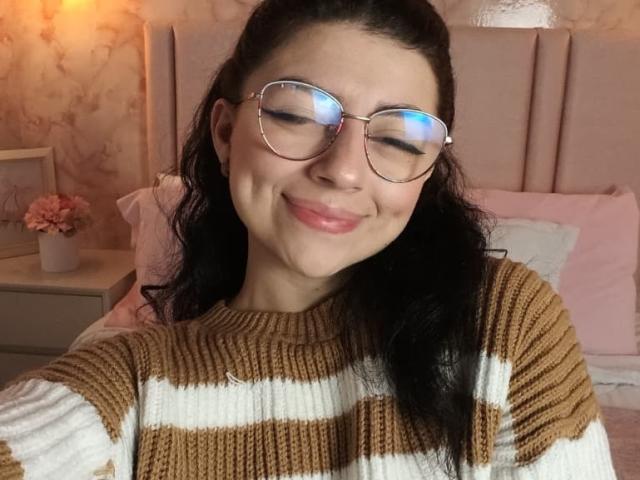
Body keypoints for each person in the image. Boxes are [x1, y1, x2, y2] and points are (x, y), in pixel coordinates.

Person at [0, 0, 617, 478]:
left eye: (399, 139)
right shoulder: (129, 382)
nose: (343, 170)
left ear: (425, 174)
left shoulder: (501, 327)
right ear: (225, 132)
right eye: (297, 114)